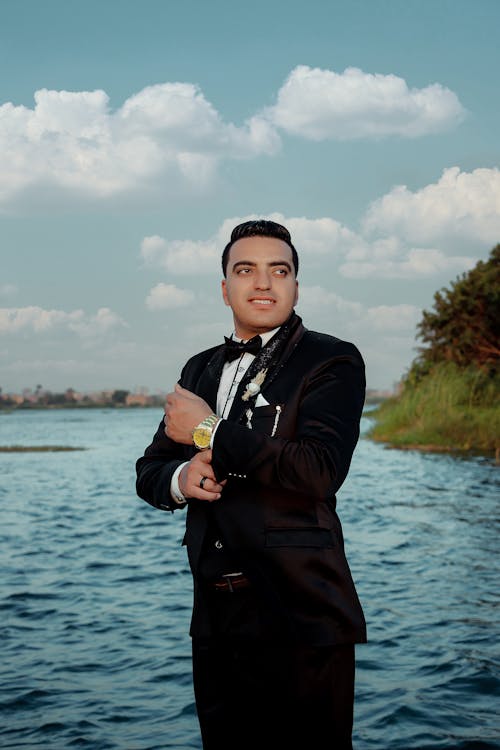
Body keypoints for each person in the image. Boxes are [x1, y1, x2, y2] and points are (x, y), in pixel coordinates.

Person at [136, 219, 366, 750]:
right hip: (215, 619)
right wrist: (180, 477)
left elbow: (318, 469)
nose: (262, 283)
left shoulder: (332, 359)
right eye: (246, 270)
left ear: (295, 286)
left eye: (278, 270)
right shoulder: (198, 369)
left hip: (302, 613)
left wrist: (206, 431)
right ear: (224, 289)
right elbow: (149, 470)